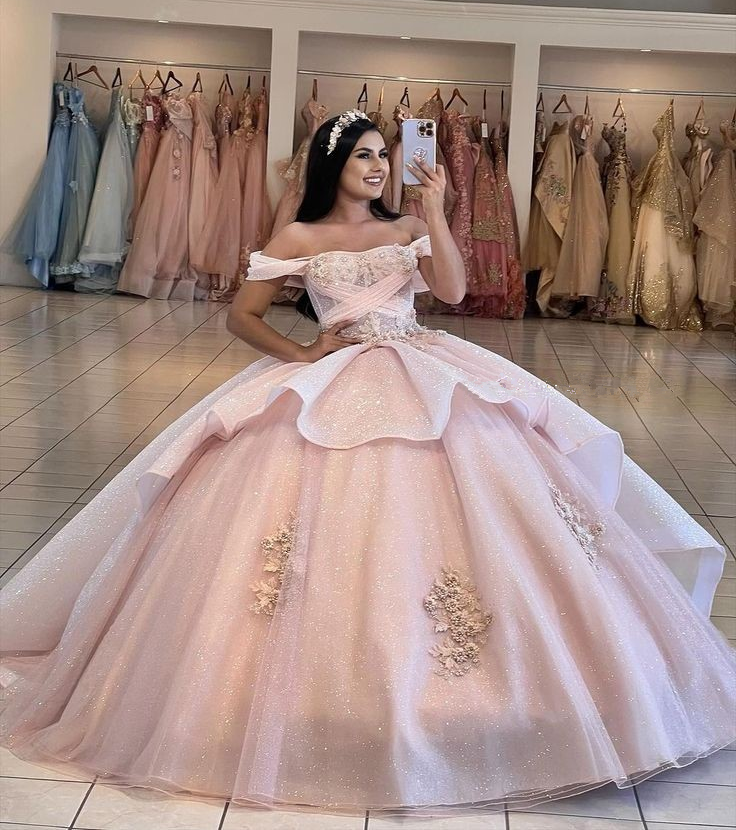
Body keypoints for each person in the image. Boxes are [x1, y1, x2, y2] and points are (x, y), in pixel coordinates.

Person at [1, 110, 734, 818]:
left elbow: (452, 291)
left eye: (384, 154)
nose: (379, 165)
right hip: (335, 375)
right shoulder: (298, 234)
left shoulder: (407, 226)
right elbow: (241, 314)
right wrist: (303, 353)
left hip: (422, 369)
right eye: (364, 155)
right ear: (334, 164)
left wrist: (437, 210)